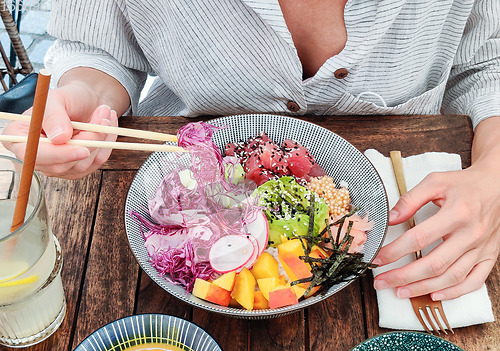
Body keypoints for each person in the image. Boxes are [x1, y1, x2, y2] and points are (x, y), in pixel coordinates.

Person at [3, 0, 500, 302]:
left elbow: (487, 61)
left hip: (420, 222)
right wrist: (88, 100)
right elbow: (98, 48)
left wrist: (494, 173)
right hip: (167, 204)